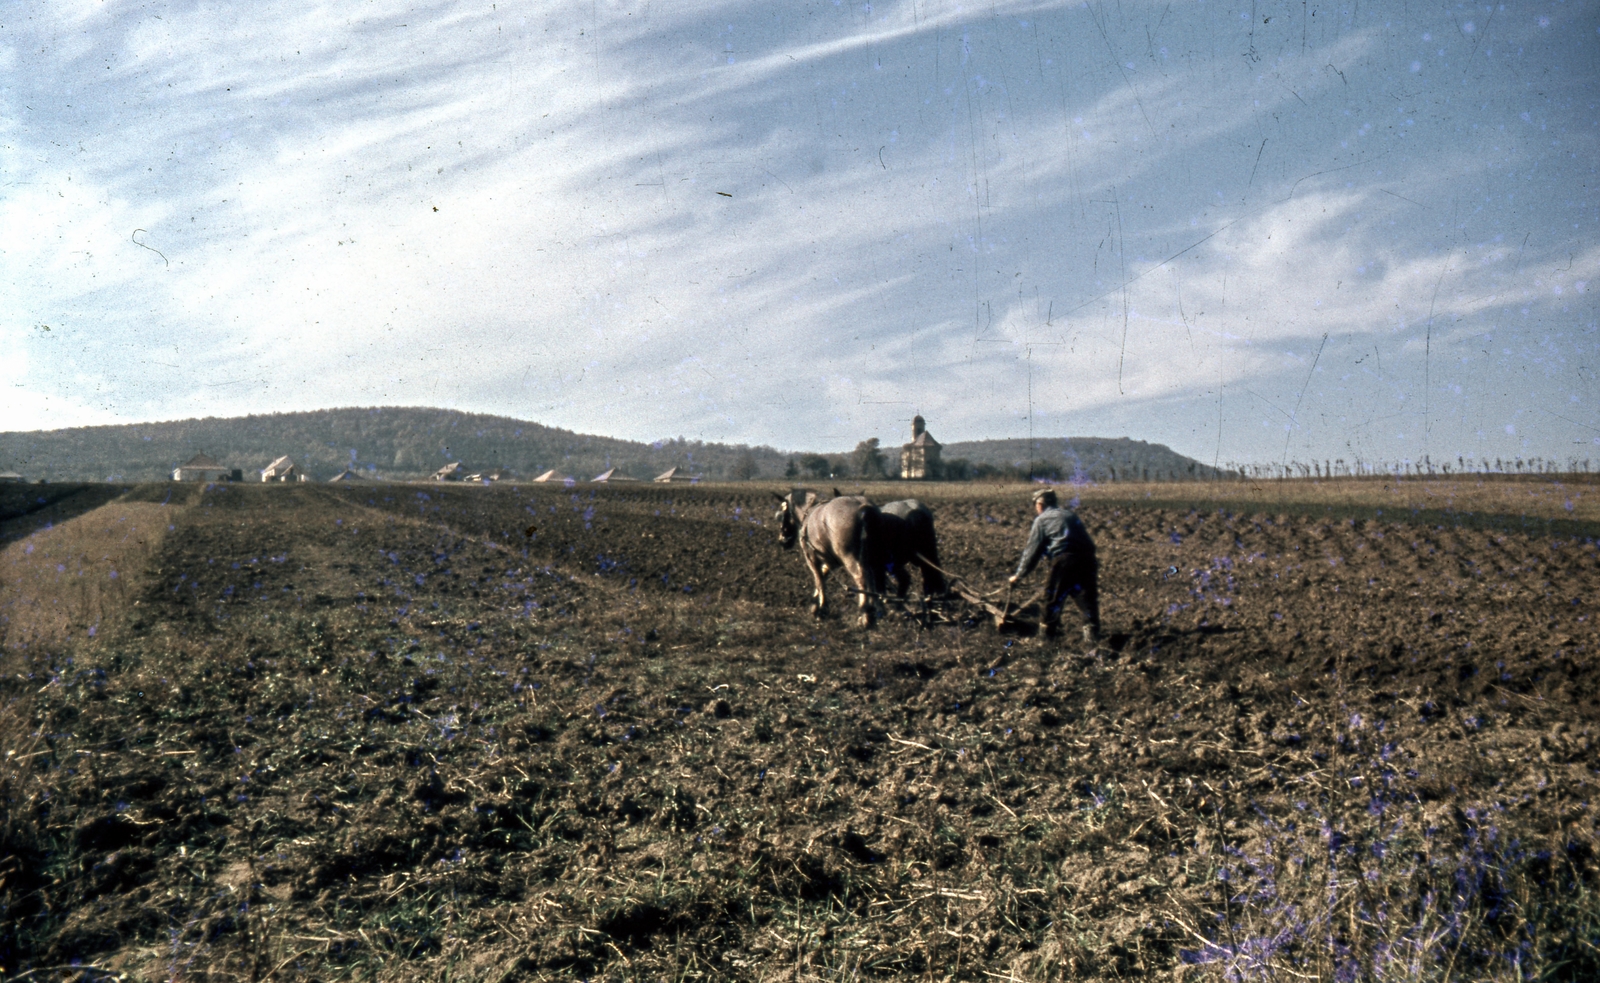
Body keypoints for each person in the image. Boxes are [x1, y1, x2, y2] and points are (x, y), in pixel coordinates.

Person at [1008, 487, 1101, 643]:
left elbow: (1032, 552)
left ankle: (1045, 640)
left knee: (1052, 599)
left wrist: (1018, 576)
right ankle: (1092, 640)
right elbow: (1089, 544)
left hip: (1064, 560)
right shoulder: (1070, 515)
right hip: (1087, 560)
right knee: (1086, 599)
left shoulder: (1042, 520)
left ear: (1040, 504)